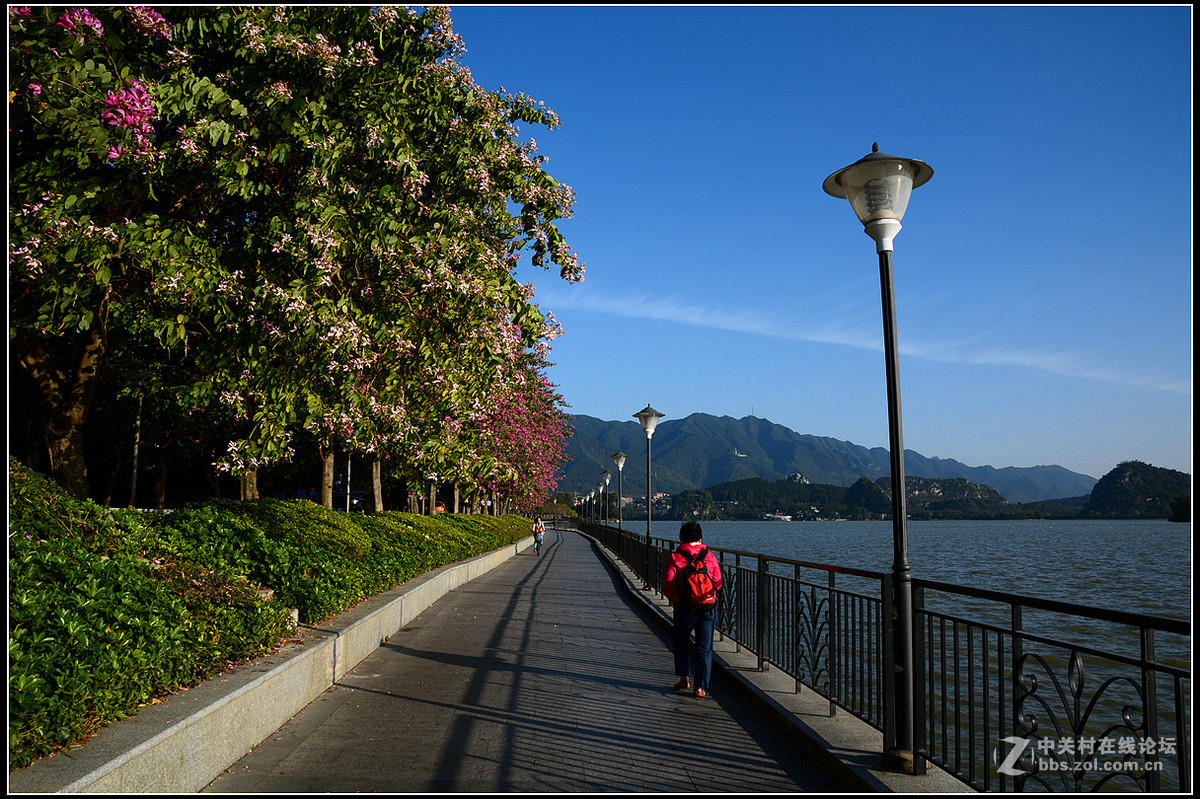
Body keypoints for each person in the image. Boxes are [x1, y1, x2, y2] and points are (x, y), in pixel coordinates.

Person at [662, 521, 722, 698]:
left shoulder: (676, 557)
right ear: (700, 537)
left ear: (681, 538)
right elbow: (718, 581)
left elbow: (668, 583)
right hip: (707, 606)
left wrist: (675, 599)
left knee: (681, 642)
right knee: (705, 648)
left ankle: (684, 679)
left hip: (684, 607)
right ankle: (700, 688)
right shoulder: (709, 556)